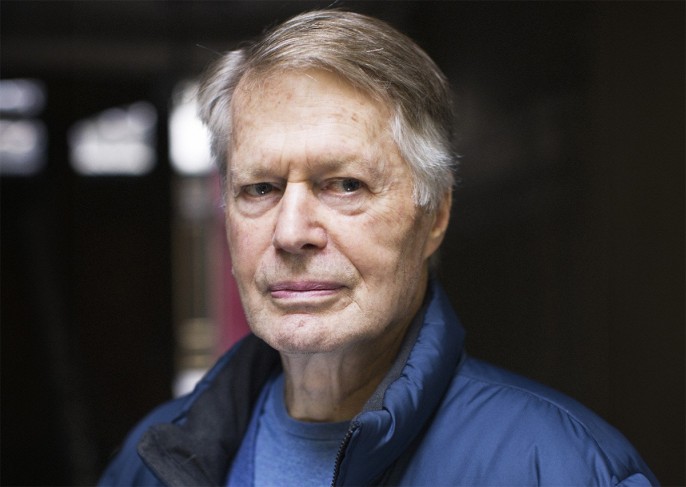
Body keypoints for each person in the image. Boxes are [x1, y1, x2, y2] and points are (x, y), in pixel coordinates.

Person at [100, 10, 657, 486]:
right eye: (260, 188)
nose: (291, 232)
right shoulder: (152, 461)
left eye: (345, 185)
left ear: (434, 215)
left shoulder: (561, 467)